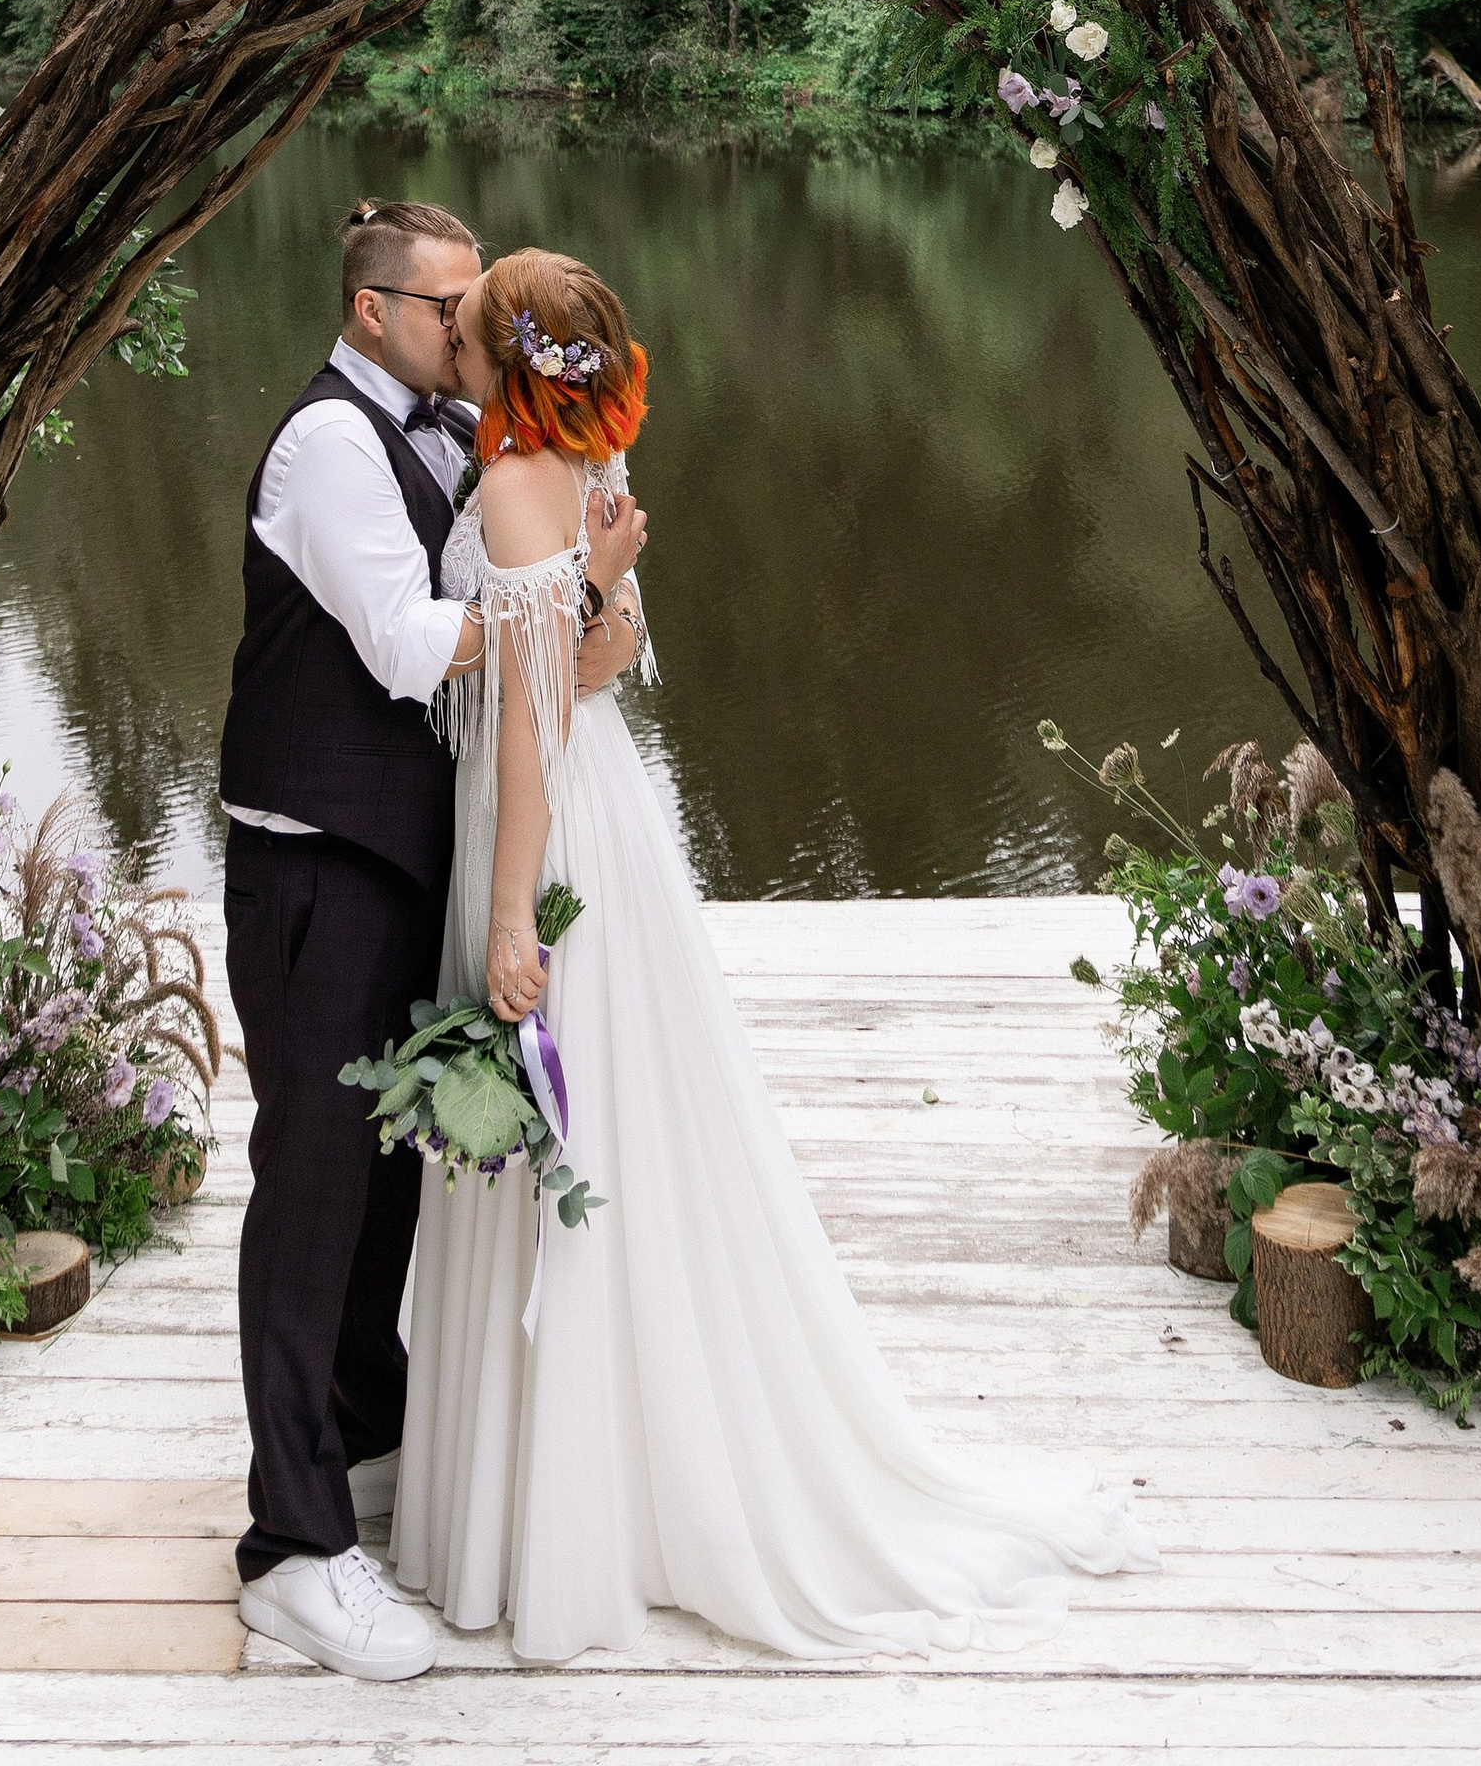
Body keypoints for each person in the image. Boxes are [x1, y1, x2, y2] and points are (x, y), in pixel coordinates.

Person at [392, 243, 1158, 1662]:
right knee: (617, 1124)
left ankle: (561, 1513)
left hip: (545, 826)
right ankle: (609, 1479)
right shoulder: (593, 487)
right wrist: (597, 584)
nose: (458, 349)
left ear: (506, 359)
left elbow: (536, 709)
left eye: (474, 332)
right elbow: (608, 660)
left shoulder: (511, 485)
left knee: (567, 1117)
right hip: (609, 811)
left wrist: (506, 915)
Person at [216, 197, 644, 1682]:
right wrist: (553, 592)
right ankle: (292, 1547)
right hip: (319, 866)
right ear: (375, 312)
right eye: (449, 307)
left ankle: (369, 1453)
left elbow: (578, 652)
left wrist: (579, 592)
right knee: (313, 1196)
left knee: (391, 1197)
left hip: (418, 861)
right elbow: (407, 644)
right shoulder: (331, 443)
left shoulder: (475, 443)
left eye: (481, 310)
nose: (471, 329)